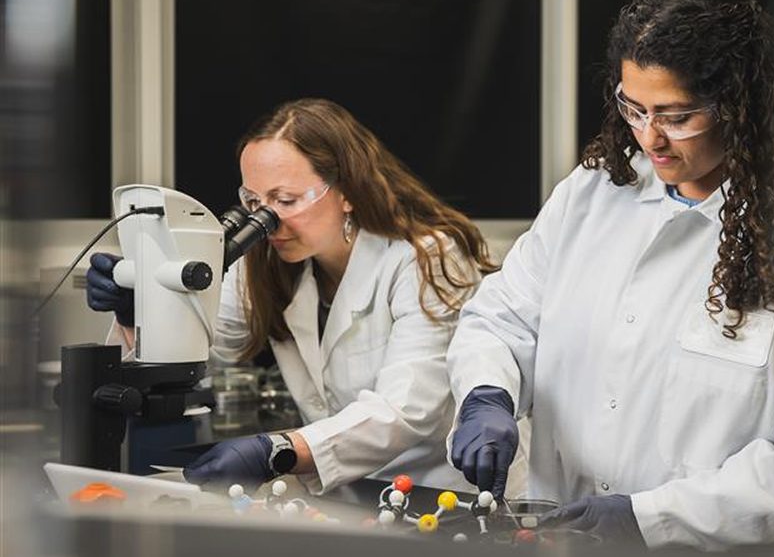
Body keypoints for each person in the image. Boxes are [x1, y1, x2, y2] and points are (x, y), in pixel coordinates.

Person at [446, 0, 774, 549]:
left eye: (678, 116)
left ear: (740, 106)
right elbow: (502, 319)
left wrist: (652, 517)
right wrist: (486, 393)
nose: (650, 138)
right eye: (635, 109)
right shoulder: (594, 192)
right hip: (562, 537)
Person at [86, 98, 496, 494]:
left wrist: (279, 450)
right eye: (252, 202)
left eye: (284, 201)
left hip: (442, 491)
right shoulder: (264, 261)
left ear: (347, 191)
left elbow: (405, 409)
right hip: (348, 495)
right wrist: (138, 314)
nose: (266, 220)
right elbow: (199, 359)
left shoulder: (426, 258)